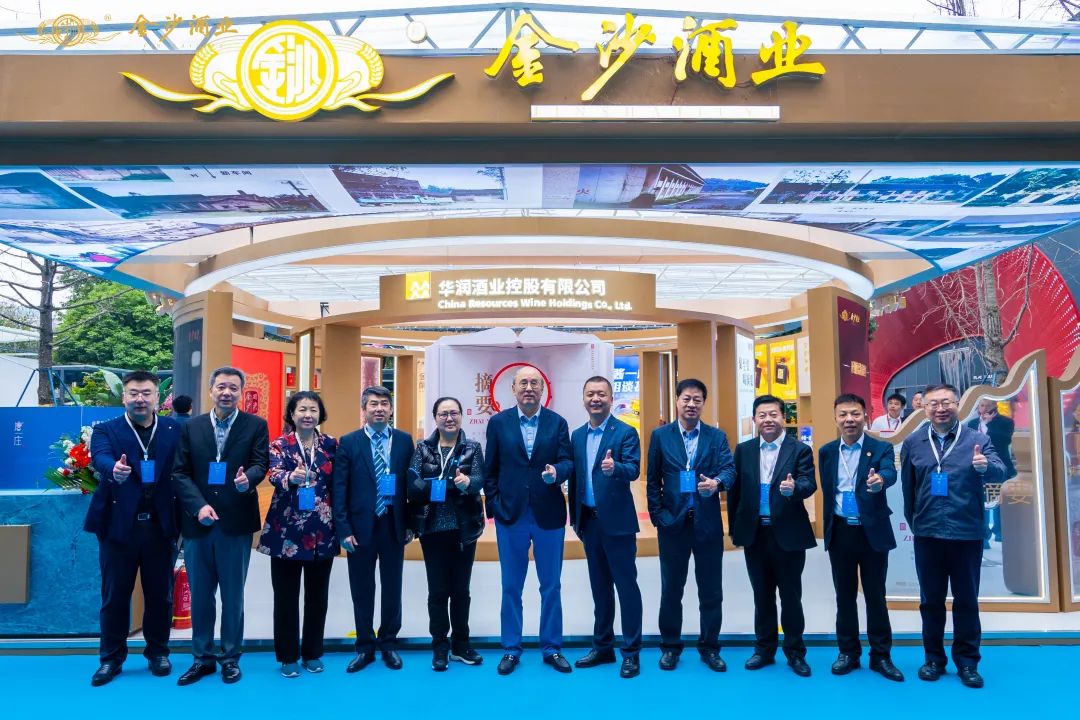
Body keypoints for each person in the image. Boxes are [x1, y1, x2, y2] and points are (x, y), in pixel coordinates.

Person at [902, 383, 1006, 689]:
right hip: (928, 534)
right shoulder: (914, 442)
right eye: (933, 403)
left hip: (966, 533)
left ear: (958, 404)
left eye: (946, 402)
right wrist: (917, 522)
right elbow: (909, 490)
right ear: (924, 408)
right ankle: (933, 659)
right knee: (930, 601)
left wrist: (985, 467)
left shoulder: (977, 439)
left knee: (966, 601)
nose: (940, 408)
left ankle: (968, 662)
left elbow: (1001, 470)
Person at [173, 366, 270, 686]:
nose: (227, 392)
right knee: (201, 596)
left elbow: (260, 463)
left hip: (236, 522)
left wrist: (248, 479)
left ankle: (230, 658)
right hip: (198, 521)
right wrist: (197, 505)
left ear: (241, 392)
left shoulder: (255, 425)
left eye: (233, 388)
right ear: (211, 391)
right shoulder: (192, 426)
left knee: (232, 595)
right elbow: (180, 472)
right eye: (221, 387)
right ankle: (202, 658)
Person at [85, 371, 181, 687]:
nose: (140, 399)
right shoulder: (106, 430)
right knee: (115, 596)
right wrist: (113, 469)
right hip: (118, 527)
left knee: (160, 596)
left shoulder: (174, 429)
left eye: (146, 393)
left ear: (157, 398)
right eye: (134, 393)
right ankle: (111, 658)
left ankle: (158, 652)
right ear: (124, 396)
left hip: (160, 526)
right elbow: (100, 457)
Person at [484, 365, 573, 675]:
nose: (529, 388)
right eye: (523, 382)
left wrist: (557, 472)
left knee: (551, 585)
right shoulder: (498, 423)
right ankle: (511, 648)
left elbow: (568, 461)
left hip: (548, 513)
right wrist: (495, 506)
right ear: (513, 389)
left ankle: (552, 647)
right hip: (511, 515)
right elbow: (490, 469)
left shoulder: (557, 423)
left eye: (535, 382)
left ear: (543, 388)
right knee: (511, 585)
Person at [646, 378, 734, 673]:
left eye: (697, 399)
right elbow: (652, 479)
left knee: (711, 591)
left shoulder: (716, 437)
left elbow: (729, 470)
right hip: (672, 525)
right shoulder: (661, 436)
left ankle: (710, 647)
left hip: (707, 525)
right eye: (686, 398)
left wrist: (717, 482)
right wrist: (659, 516)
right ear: (677, 401)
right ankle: (670, 647)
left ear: (703, 404)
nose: (691, 404)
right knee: (672, 589)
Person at [729, 394, 817, 677]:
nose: (768, 420)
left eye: (773, 414)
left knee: (791, 596)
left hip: (788, 534)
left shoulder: (799, 449)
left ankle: (795, 652)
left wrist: (796, 488)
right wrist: (736, 530)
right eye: (762, 415)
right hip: (755, 534)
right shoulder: (744, 450)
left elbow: (809, 483)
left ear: (783, 418)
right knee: (762, 595)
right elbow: (735, 493)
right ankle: (764, 649)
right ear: (755, 420)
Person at [819, 394, 903, 682]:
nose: (849, 420)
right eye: (843, 414)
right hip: (841, 531)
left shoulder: (881, 448)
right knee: (844, 597)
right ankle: (848, 653)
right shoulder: (827, 452)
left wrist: (881, 481)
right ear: (835, 418)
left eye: (855, 414)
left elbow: (889, 472)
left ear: (865, 416)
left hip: (871, 532)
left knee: (875, 596)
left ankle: (881, 656)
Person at [332, 386, 414, 673]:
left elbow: (411, 487)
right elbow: (339, 489)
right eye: (373, 404)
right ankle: (365, 646)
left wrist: (410, 524)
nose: (379, 408)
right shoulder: (349, 442)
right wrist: (343, 528)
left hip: (393, 525)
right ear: (364, 409)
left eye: (384, 404)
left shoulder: (404, 441)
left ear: (390, 409)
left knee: (393, 587)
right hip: (359, 528)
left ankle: (389, 643)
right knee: (362, 588)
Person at [257, 391, 338, 678]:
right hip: (286, 532)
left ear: (320, 414)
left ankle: (312, 653)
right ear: (291, 414)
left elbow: (338, 481)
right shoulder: (280, 444)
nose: (307, 414)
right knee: (286, 597)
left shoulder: (331, 444)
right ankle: (288, 656)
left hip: (322, 530)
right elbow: (273, 473)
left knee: (318, 597)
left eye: (313, 409)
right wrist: (289, 477)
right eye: (302, 409)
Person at [569, 377, 643, 678]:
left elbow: (634, 469)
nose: (595, 399)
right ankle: (603, 647)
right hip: (589, 522)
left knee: (626, 588)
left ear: (611, 399)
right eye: (590, 394)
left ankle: (631, 652)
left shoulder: (626, 432)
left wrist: (616, 468)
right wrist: (576, 519)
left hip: (618, 524)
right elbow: (575, 476)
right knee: (599, 589)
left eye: (601, 394)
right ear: (583, 399)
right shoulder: (577, 435)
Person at [407, 396, 485, 671]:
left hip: (465, 530)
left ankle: (461, 645)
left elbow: (480, 479)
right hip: (432, 530)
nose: (449, 418)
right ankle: (440, 647)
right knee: (438, 591)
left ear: (461, 416)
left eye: (454, 413)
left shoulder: (473, 447)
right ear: (435, 418)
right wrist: (447, 485)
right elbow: (413, 486)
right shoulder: (423, 447)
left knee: (461, 591)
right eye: (443, 414)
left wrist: (468, 482)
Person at [967, 398, 1017, 549]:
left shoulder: (1006, 422)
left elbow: (1005, 440)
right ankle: (984, 536)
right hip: (977, 468)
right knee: (980, 502)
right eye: (981, 405)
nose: (983, 408)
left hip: (998, 467)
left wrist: (988, 425)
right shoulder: (972, 423)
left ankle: (999, 531)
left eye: (986, 405)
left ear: (994, 406)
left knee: (998, 501)